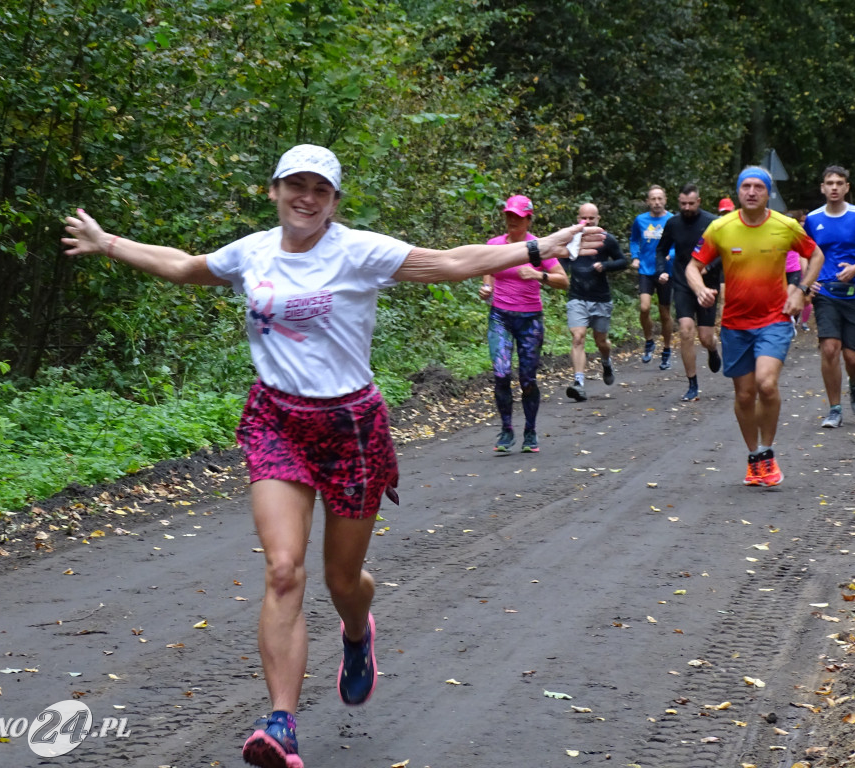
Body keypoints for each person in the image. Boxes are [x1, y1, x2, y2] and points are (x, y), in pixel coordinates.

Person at [61, 145, 600, 768]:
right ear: (275, 191)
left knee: (343, 580)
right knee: (284, 570)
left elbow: (452, 263)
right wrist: (109, 243)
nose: (307, 197)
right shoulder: (253, 251)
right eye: (296, 185)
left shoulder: (358, 251)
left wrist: (540, 247)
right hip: (276, 420)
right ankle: (281, 723)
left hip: (351, 427)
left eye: (321, 189)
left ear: (335, 201)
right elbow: (184, 266)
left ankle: (355, 631)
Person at [686, 166, 824, 487]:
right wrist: (699, 289)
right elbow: (693, 267)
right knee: (745, 395)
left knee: (766, 385)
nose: (751, 192)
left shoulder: (785, 226)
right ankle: (754, 456)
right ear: (738, 192)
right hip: (735, 323)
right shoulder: (721, 228)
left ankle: (768, 452)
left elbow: (815, 256)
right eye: (745, 186)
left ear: (767, 193)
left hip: (774, 319)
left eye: (758, 187)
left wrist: (801, 291)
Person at [480, 195, 569, 452]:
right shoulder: (495, 245)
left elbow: (563, 280)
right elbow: (488, 268)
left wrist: (538, 274)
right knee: (501, 373)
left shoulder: (540, 248)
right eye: (508, 215)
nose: (511, 221)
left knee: (527, 379)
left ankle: (530, 431)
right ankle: (506, 431)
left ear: (528, 220)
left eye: (517, 217)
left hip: (530, 319)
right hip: (500, 317)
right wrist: (487, 286)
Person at [803, 166, 855, 429]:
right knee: (829, 349)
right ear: (822, 187)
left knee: (853, 358)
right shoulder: (813, 219)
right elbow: (806, 253)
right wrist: (808, 282)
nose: (834, 187)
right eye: (829, 183)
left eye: (839, 183)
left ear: (847, 187)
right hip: (825, 293)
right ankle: (835, 408)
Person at [657, 184, 722, 402]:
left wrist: (709, 268)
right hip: (683, 282)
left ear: (699, 202)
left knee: (705, 337)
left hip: (707, 284)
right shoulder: (673, 223)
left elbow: (724, 252)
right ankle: (692, 383)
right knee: (685, 331)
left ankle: (712, 350)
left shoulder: (712, 222)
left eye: (691, 204)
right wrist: (661, 271)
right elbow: (661, 250)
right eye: (683, 204)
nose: (686, 207)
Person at [561, 202, 628, 401]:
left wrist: (605, 265)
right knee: (578, 337)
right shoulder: (571, 240)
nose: (588, 222)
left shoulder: (607, 240)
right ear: (578, 219)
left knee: (602, 341)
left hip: (600, 298)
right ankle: (579, 383)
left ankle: (606, 361)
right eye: (584, 218)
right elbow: (562, 264)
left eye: (592, 218)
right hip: (577, 296)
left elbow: (622, 261)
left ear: (598, 219)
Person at [629, 185, 675, 369]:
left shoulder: (672, 220)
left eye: (660, 199)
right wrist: (635, 257)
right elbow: (634, 239)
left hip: (665, 270)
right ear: (648, 201)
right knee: (644, 307)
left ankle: (666, 349)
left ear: (665, 200)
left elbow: (678, 242)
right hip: (646, 269)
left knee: (665, 314)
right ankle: (649, 341)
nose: (656, 202)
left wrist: (671, 254)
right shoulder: (640, 220)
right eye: (653, 199)